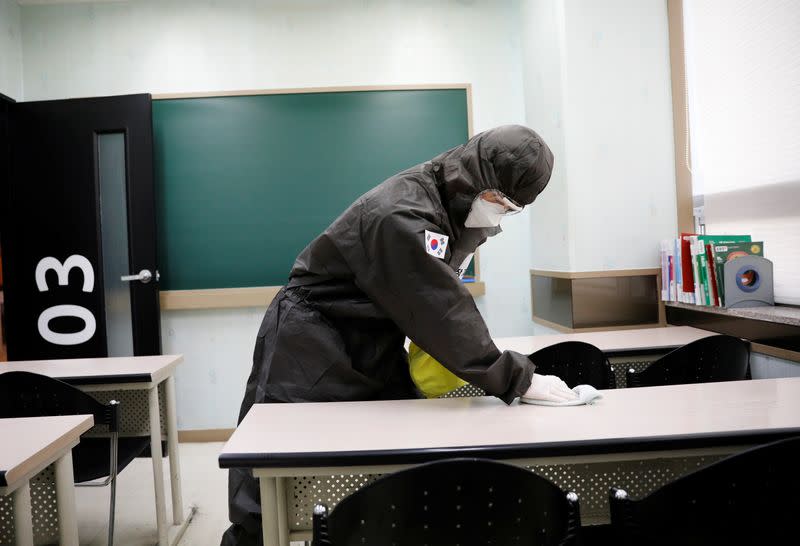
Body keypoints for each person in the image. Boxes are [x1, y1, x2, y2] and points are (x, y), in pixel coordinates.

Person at [221, 124, 576, 545]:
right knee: (274, 480)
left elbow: (439, 292)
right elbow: (440, 306)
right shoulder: (402, 213)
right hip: (310, 340)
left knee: (397, 466)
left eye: (511, 208)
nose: (500, 213)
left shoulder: (450, 198)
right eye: (500, 200)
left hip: (371, 336)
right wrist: (517, 377)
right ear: (478, 174)